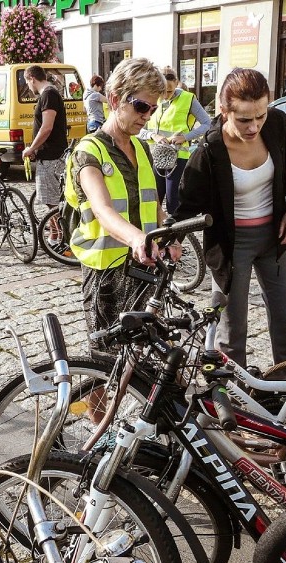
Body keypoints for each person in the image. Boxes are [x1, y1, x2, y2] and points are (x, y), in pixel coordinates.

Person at [175, 67, 286, 368]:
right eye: (245, 119)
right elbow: (186, 204)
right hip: (231, 246)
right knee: (232, 329)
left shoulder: (279, 124)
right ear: (223, 110)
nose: (254, 126)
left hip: (275, 237)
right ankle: (233, 397)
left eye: (260, 115)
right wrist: (171, 239)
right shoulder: (209, 149)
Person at [66, 57, 181, 355]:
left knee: (145, 354)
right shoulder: (89, 151)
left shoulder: (142, 148)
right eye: (141, 107)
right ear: (116, 99)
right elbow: (103, 210)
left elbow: (153, 204)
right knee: (105, 360)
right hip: (107, 272)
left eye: (153, 109)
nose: (147, 116)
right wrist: (136, 238)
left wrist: (168, 234)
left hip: (144, 267)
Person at [140, 67, 211, 215]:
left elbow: (207, 124)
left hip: (178, 157)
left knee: (173, 202)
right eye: (163, 91)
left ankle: (176, 237)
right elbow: (140, 128)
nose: (165, 95)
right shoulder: (153, 98)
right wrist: (153, 136)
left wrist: (185, 137)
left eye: (170, 91)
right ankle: (155, 236)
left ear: (177, 83)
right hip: (156, 156)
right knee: (154, 201)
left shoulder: (187, 99)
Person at [21, 65, 68, 236]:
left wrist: (31, 148)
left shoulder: (48, 94)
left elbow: (47, 127)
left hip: (51, 155)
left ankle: (59, 237)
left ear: (32, 78)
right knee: (51, 200)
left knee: (52, 201)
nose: (28, 86)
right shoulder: (50, 93)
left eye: (27, 82)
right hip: (50, 154)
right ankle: (55, 235)